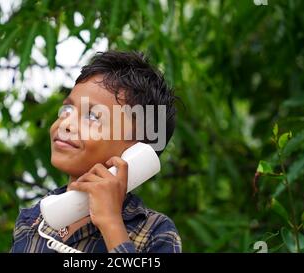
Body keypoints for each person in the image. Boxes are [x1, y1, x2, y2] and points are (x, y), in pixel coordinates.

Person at [10, 51, 181, 253]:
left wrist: (111, 224)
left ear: (136, 152)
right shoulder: (32, 220)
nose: (66, 124)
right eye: (67, 110)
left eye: (92, 116)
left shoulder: (155, 232)